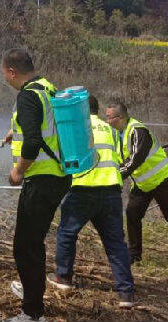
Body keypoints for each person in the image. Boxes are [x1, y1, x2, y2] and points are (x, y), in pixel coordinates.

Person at [0, 49, 71, 322]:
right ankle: (33, 296)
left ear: (12, 72)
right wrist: (14, 130)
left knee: (25, 246)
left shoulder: (27, 95)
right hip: (57, 175)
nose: (4, 77)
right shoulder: (46, 87)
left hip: (42, 178)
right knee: (32, 243)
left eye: (3, 72)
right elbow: (45, 125)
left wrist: (18, 170)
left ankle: (32, 312)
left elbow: (32, 142)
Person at [48, 95, 135, 308]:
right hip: (111, 191)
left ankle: (63, 278)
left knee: (67, 234)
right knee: (115, 243)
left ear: (80, 109)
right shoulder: (110, 130)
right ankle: (126, 294)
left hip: (84, 189)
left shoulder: (75, 127)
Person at [106, 102, 168, 280]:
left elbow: (135, 160)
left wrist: (114, 177)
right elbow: (121, 160)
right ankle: (134, 254)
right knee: (132, 214)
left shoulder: (138, 131)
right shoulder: (118, 135)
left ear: (120, 117)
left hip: (163, 181)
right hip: (142, 184)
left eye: (109, 118)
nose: (107, 121)